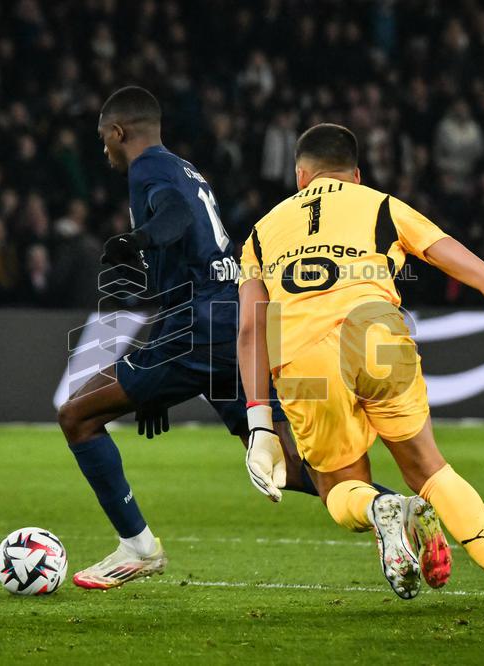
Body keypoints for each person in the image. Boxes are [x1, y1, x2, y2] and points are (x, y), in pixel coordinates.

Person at [237, 124, 484, 630]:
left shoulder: (259, 232)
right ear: (357, 175)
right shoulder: (382, 205)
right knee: (432, 471)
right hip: (375, 334)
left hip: (302, 356)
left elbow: (251, 328)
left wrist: (258, 424)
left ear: (300, 177)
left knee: (336, 490)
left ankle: (382, 506)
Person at [57, 87, 326, 590]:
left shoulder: (147, 172)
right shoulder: (185, 168)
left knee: (77, 415)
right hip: (225, 320)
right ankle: (387, 509)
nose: (104, 151)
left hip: (199, 326)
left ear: (118, 133)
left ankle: (137, 547)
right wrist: (155, 385)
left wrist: (136, 239)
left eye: (103, 139)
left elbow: (175, 219)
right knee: (283, 462)